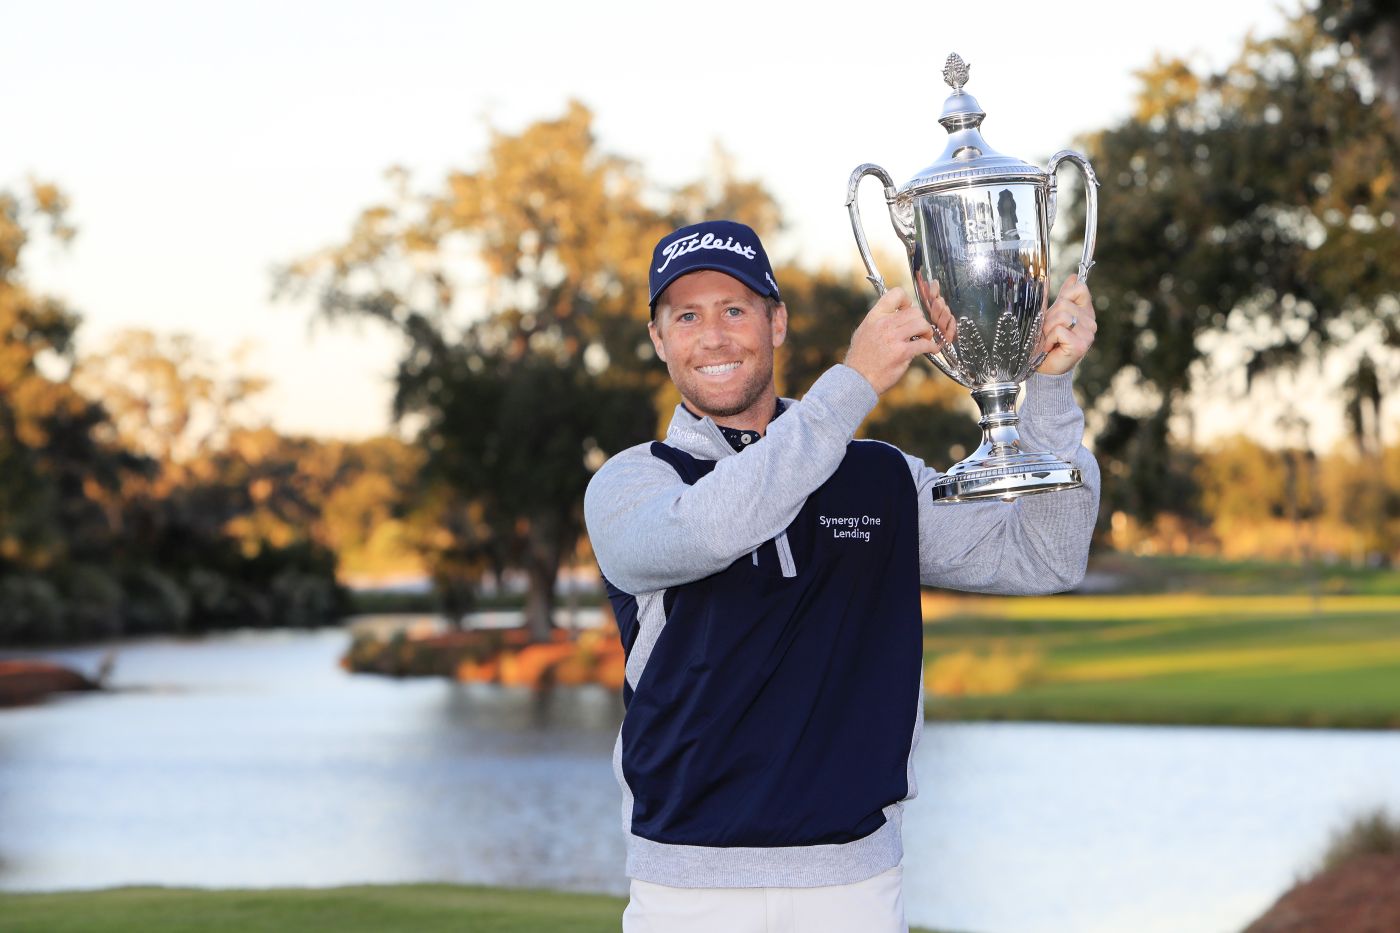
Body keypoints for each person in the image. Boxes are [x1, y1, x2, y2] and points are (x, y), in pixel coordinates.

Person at [583, 219, 1099, 933]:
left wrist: (1049, 392)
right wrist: (853, 384)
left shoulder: (879, 479)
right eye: (687, 316)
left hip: (854, 887)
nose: (713, 336)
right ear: (659, 339)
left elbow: (1045, 556)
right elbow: (711, 528)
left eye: (735, 310)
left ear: (777, 322)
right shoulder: (633, 484)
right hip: (688, 888)